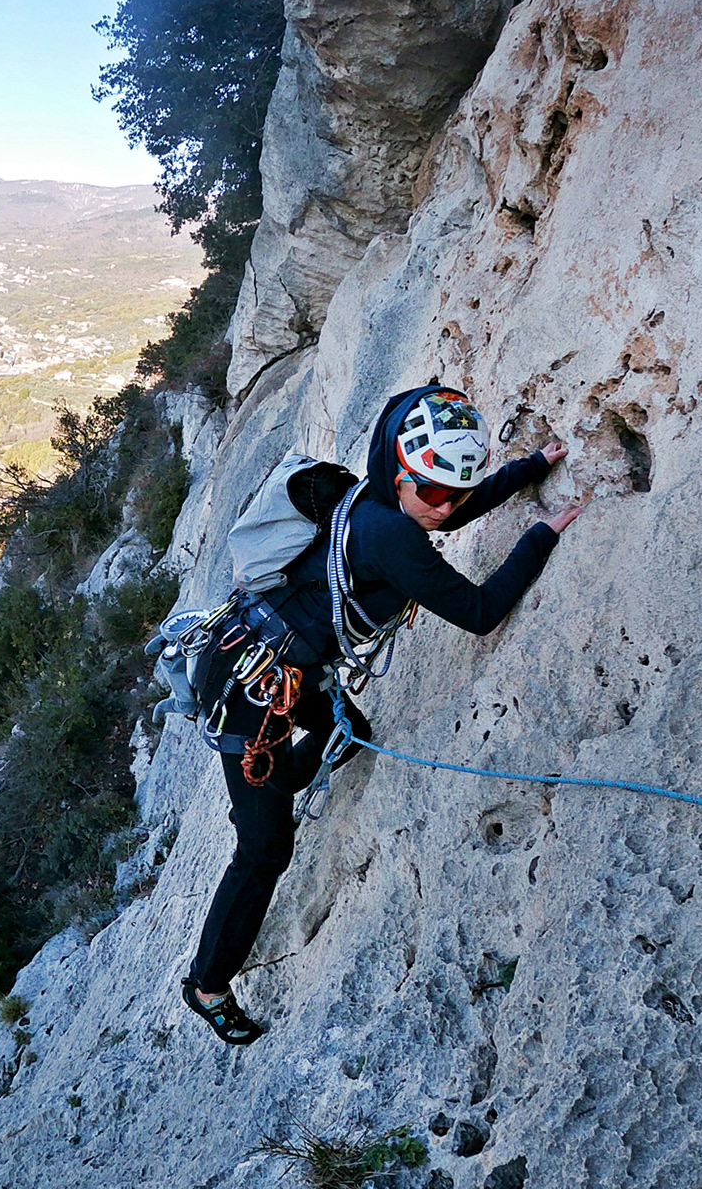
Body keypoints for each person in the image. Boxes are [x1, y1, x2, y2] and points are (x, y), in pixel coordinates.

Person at [182, 385, 583, 1045]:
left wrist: (530, 467)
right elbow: (480, 614)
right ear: (401, 476)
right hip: (250, 692)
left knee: (351, 731)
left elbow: (447, 513)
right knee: (264, 849)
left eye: (450, 490)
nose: (444, 506)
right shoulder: (392, 531)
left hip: (271, 664)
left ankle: (275, 786)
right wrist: (541, 535)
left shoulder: (382, 500)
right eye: (432, 491)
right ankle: (206, 983)